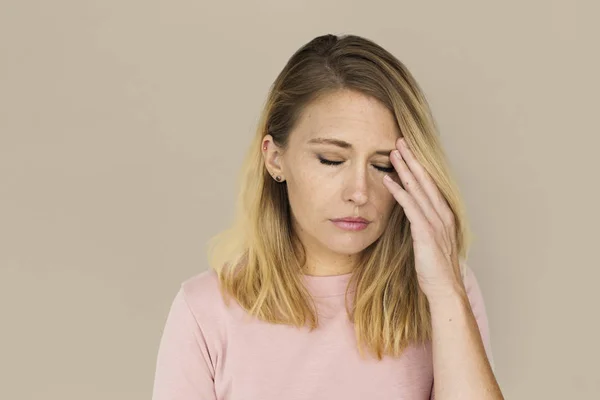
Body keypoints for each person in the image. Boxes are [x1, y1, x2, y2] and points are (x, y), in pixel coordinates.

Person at [151, 33, 504, 400]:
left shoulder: (445, 290)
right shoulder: (204, 311)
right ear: (275, 159)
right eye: (332, 160)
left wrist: (446, 292)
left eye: (383, 166)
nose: (359, 192)